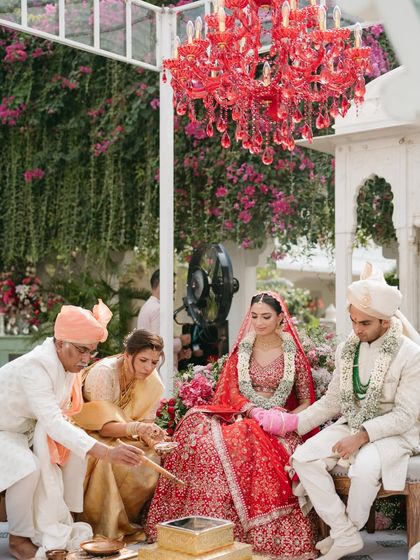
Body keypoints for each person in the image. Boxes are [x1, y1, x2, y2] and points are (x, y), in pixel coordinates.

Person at [146, 291, 319, 560]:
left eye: (266, 316)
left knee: (247, 440)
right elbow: (231, 391)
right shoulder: (242, 352)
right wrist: (251, 410)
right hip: (241, 414)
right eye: (254, 316)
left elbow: (308, 401)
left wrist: (285, 421)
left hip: (278, 424)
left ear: (280, 318)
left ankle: (256, 537)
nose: (259, 322)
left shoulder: (292, 354)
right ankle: (201, 531)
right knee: (200, 439)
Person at [276, 263, 420, 560]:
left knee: (365, 466)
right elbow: (332, 402)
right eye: (353, 321)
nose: (356, 329)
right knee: (304, 458)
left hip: (395, 431)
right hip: (352, 421)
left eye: (365, 323)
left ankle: (347, 533)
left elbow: (406, 415)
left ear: (385, 320)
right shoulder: (348, 349)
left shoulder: (410, 354)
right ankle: (345, 533)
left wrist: (362, 436)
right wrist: (291, 424)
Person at [0, 301, 145, 560]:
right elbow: (54, 422)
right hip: (4, 430)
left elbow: (60, 420)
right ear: (59, 343)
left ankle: (61, 522)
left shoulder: (66, 367)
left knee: (73, 454)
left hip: (24, 431)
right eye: (81, 351)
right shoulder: (36, 366)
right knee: (28, 468)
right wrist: (108, 452)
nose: (86, 359)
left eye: (91, 352)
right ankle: (18, 541)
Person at [74, 329, 167, 542]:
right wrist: (136, 429)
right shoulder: (104, 373)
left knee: (151, 456)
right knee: (110, 460)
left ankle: (127, 522)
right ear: (127, 355)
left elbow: (145, 422)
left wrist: (154, 437)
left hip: (124, 432)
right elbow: (103, 426)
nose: (149, 368)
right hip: (88, 430)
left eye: (154, 362)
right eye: (143, 360)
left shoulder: (153, 381)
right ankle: (103, 526)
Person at [137, 269, 191, 370]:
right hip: (161, 373)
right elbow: (160, 345)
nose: (174, 288)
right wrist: (181, 341)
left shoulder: (149, 305)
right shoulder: (157, 309)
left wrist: (179, 355)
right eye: (173, 284)